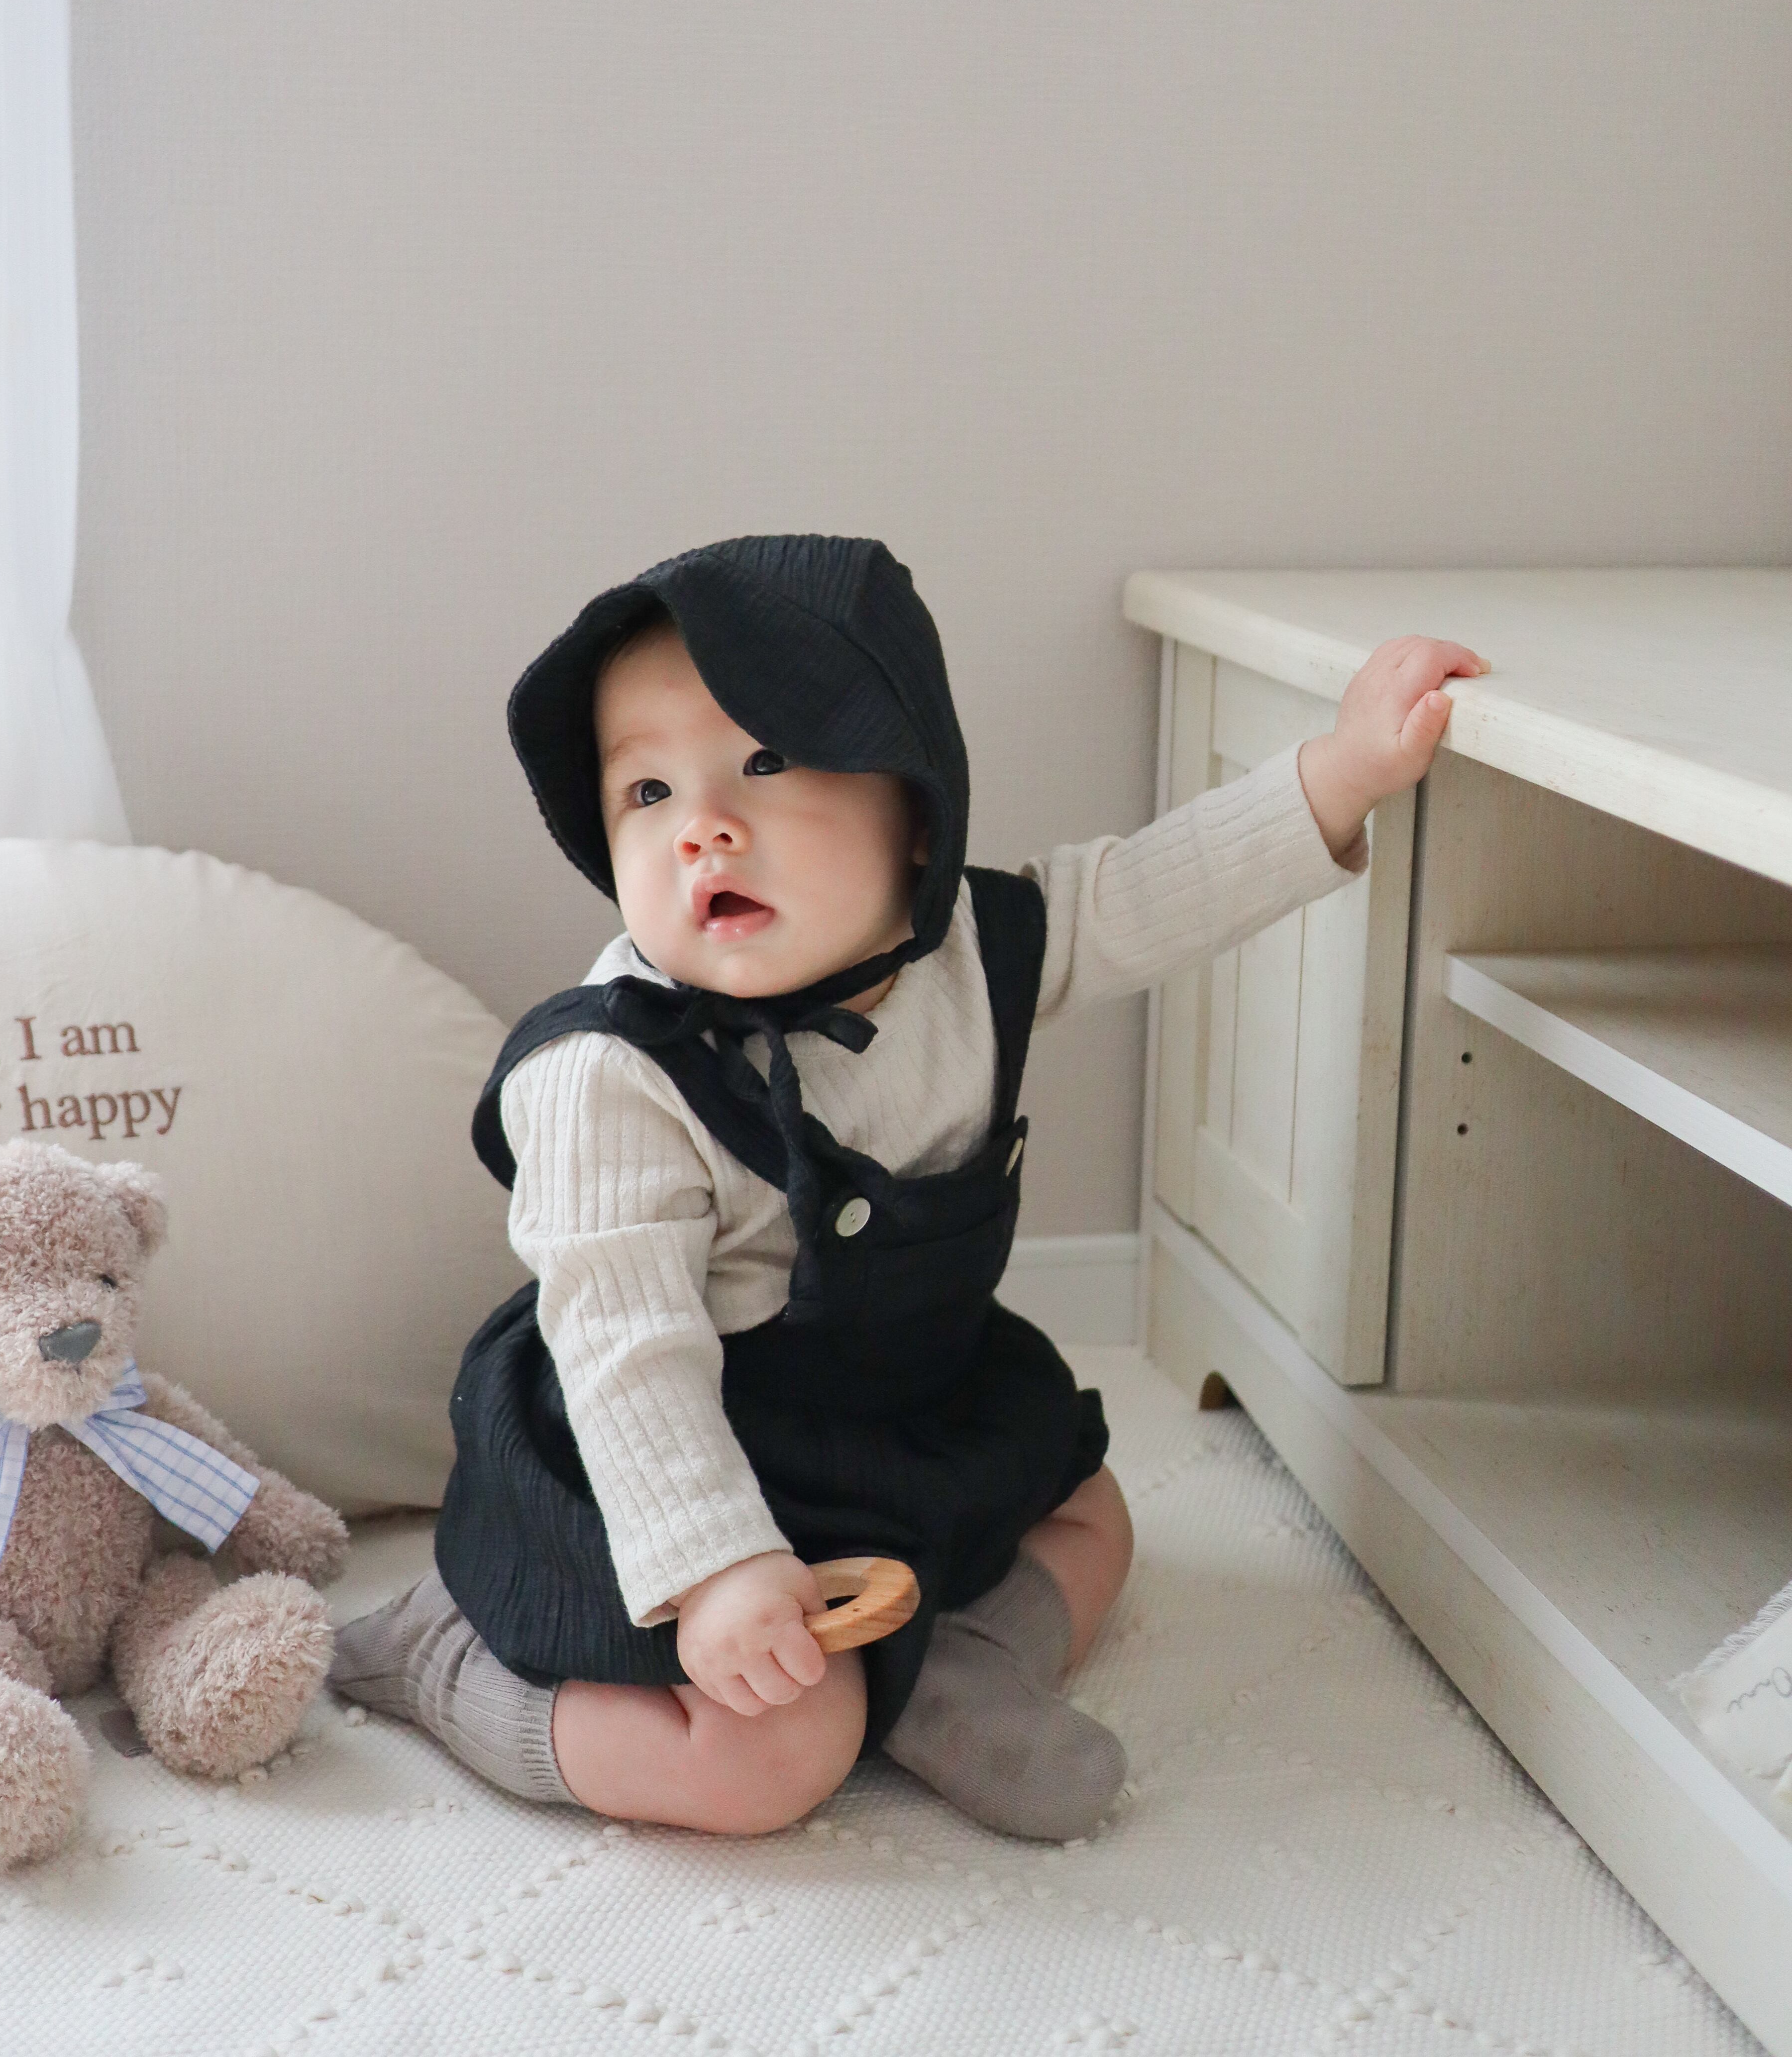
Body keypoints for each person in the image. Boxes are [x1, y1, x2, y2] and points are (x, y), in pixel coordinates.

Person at [332, 536, 1481, 1841]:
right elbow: (625, 1350)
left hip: (901, 1413)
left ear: (918, 810)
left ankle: (958, 1665)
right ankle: (445, 1664)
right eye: (647, 790)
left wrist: (1344, 772)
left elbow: (1155, 891)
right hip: (669, 1455)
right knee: (775, 1753)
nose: (701, 824)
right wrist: (715, 1572)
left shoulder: (972, 959)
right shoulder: (609, 1076)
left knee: (1091, 1514)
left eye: (766, 762)